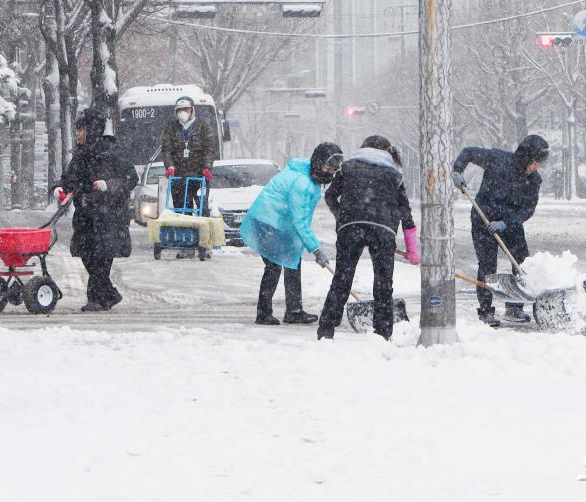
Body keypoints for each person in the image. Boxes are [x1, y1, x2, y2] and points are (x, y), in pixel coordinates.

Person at [318, 136, 420, 341]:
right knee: (383, 283)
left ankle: (326, 329)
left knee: (342, 279)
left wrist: (342, 217)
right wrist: (412, 250)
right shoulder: (394, 175)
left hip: (350, 228)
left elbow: (329, 195)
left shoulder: (347, 168)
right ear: (387, 151)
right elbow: (406, 213)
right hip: (382, 231)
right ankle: (383, 333)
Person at [451, 135, 549, 327]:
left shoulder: (534, 180)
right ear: (526, 156)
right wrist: (457, 170)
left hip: (510, 224)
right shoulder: (497, 159)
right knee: (487, 265)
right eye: (535, 162)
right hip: (483, 219)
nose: (536, 167)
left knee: (522, 263)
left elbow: (527, 210)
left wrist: (506, 223)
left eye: (539, 164)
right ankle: (486, 311)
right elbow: (468, 152)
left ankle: (514, 306)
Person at [240, 142, 343, 325]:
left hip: (277, 222)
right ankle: (263, 314)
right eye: (328, 166)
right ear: (318, 162)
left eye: (333, 169)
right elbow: (300, 221)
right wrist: (317, 250)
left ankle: (294, 311)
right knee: (273, 266)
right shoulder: (302, 183)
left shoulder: (309, 175)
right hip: (266, 221)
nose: (329, 172)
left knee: (293, 260)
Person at [53, 108, 138, 312]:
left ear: (93, 130)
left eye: (82, 130)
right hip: (85, 215)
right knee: (86, 254)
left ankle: (97, 298)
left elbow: (131, 178)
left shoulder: (113, 151)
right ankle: (109, 294)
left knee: (101, 257)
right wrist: (59, 187)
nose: (78, 135)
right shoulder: (80, 155)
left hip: (109, 216)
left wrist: (109, 185)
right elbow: (70, 179)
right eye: (78, 130)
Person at [161, 96, 215, 214]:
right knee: (181, 209)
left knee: (202, 208)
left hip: (199, 174)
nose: (183, 113)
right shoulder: (171, 128)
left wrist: (207, 166)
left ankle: (202, 229)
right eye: (180, 110)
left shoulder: (203, 127)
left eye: (186, 109)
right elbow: (166, 149)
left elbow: (209, 149)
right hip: (179, 176)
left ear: (192, 110)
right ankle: (184, 229)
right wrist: (170, 166)